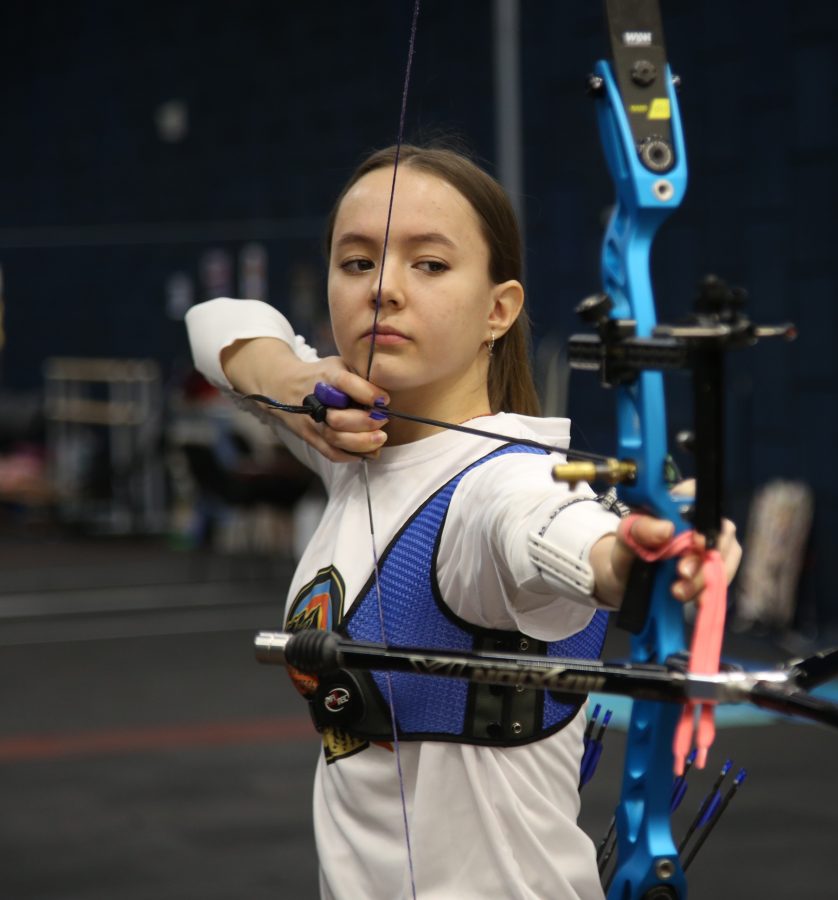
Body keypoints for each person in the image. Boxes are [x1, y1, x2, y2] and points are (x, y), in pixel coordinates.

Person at [185, 144, 739, 900]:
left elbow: (547, 531)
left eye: (430, 264)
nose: (383, 288)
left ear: (498, 309)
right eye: (355, 263)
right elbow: (216, 321)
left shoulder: (504, 484)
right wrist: (291, 380)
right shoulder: (352, 451)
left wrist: (633, 557)